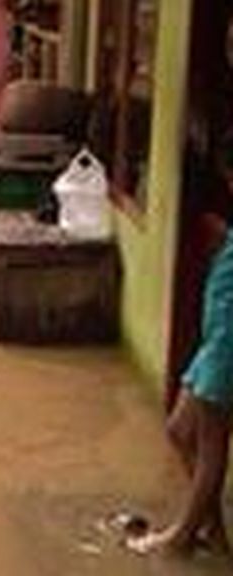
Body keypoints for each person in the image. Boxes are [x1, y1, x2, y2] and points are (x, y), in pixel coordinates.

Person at [131, 198, 233, 557]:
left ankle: (182, 538)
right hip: (215, 341)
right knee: (179, 429)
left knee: (210, 444)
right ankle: (213, 530)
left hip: (227, 344)